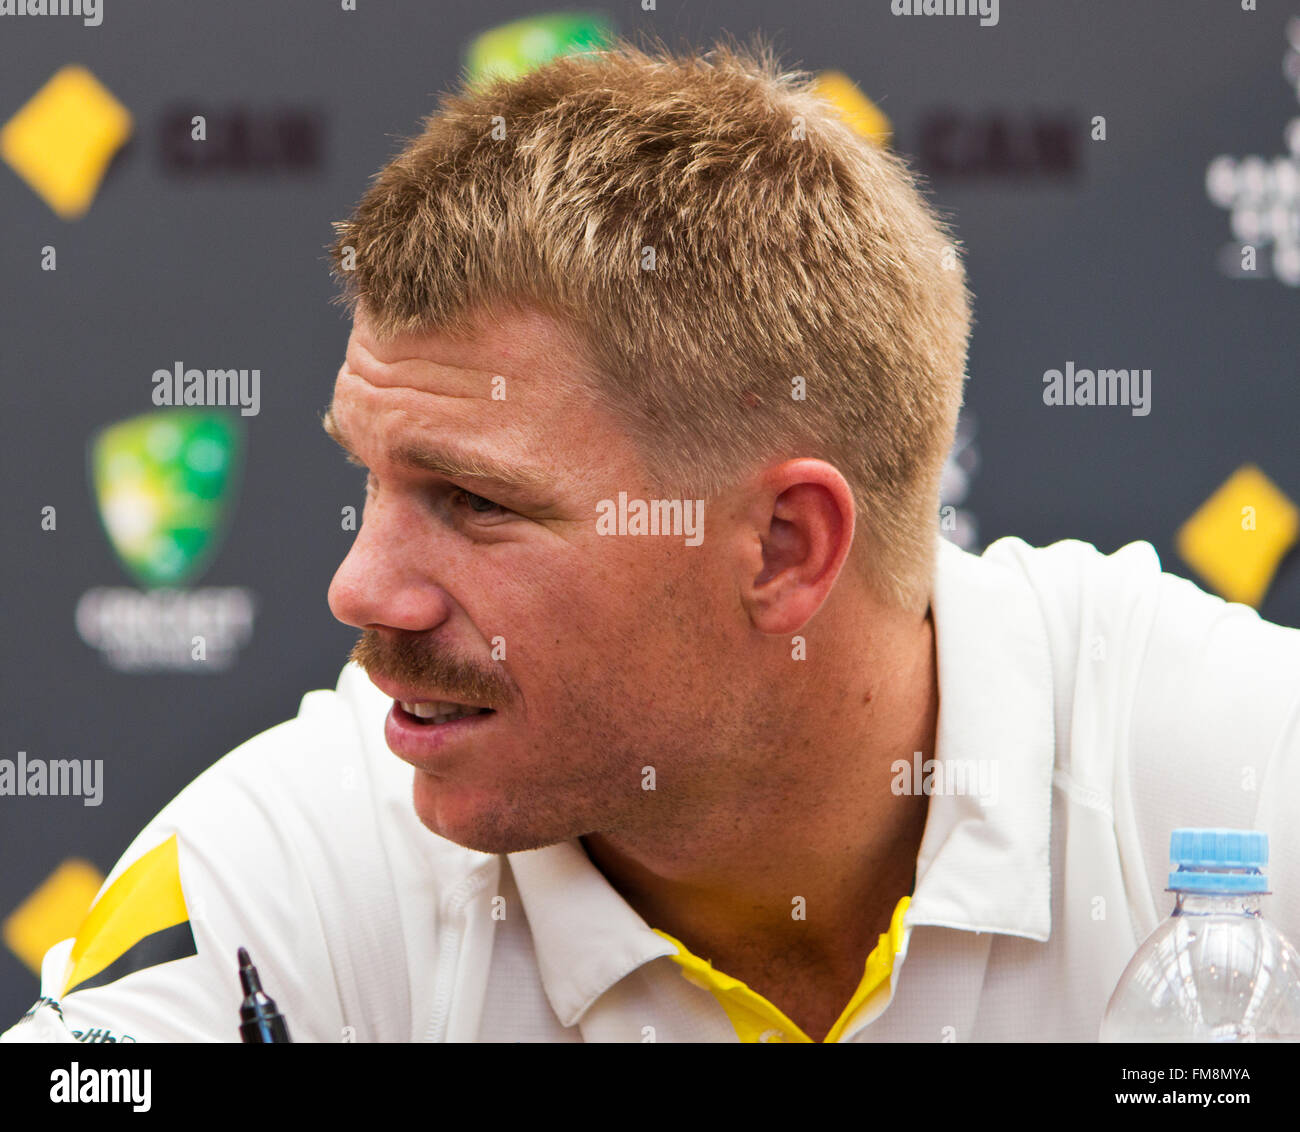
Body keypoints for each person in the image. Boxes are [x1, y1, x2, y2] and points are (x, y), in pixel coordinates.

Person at [5, 38, 1299, 1044]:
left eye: (476, 503)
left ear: (785, 547)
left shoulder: (1240, 777)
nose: (361, 589)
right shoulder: (300, 860)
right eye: (372, 481)